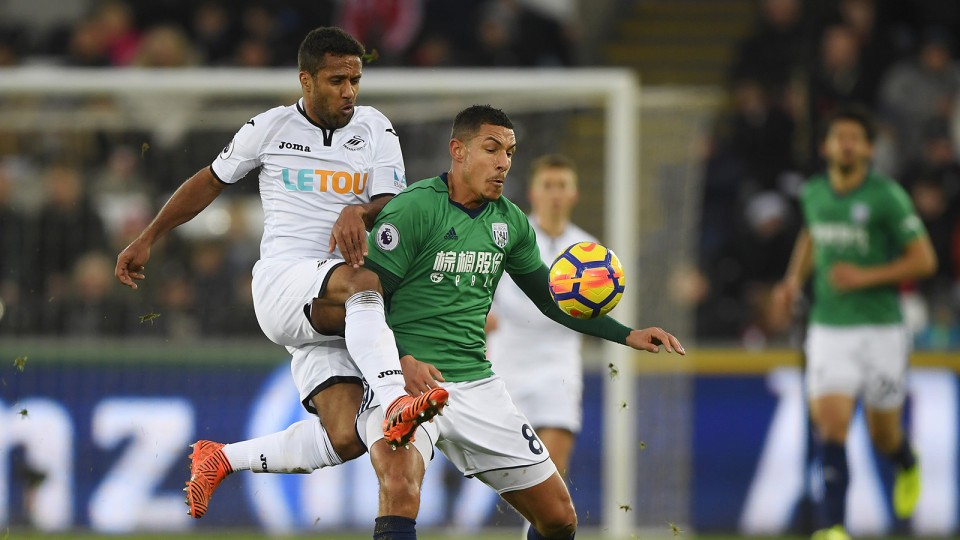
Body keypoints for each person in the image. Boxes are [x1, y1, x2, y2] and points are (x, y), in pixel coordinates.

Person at [113, 26, 447, 519]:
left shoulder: (376, 127)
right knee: (364, 282)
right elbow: (209, 182)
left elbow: (392, 203)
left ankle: (222, 458)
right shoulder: (269, 128)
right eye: (336, 80)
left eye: (355, 80)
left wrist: (359, 211)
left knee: (345, 437)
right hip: (285, 283)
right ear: (306, 80)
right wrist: (148, 237)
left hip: (344, 310)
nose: (349, 91)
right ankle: (396, 399)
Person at [353, 105, 684, 540]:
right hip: (408, 384)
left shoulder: (509, 222)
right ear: (458, 150)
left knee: (559, 518)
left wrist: (627, 334)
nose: (503, 163)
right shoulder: (413, 208)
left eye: (509, 152)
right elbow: (364, 301)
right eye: (491, 149)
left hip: (477, 385)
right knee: (400, 487)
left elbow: (551, 298)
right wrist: (400, 360)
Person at [773, 107, 936, 540]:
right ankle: (834, 529)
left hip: (882, 330)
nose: (845, 145)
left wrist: (865, 276)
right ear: (825, 146)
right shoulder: (814, 193)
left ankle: (906, 461)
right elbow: (812, 233)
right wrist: (792, 280)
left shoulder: (887, 196)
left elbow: (924, 259)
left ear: (868, 149)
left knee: (883, 434)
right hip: (829, 327)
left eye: (854, 138)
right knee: (831, 425)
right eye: (838, 137)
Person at [485, 153, 593, 480]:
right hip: (508, 365)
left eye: (562, 185)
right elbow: (478, 288)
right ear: (533, 193)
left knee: (552, 474)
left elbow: (601, 309)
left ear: (574, 194)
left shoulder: (589, 250)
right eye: (547, 185)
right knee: (512, 476)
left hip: (559, 368)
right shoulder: (506, 238)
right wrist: (483, 314)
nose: (555, 193)